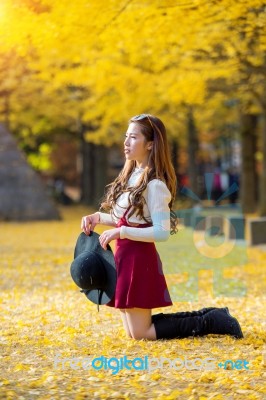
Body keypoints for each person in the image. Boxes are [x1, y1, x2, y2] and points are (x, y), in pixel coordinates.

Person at [80, 114, 243, 340]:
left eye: (133, 137)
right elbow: (126, 219)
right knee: (134, 332)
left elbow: (161, 232)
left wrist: (121, 232)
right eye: (126, 136)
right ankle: (212, 315)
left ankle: (211, 321)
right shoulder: (131, 176)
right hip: (124, 256)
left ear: (150, 144)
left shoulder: (155, 185)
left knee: (141, 333)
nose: (126, 142)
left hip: (139, 258)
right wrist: (98, 217)